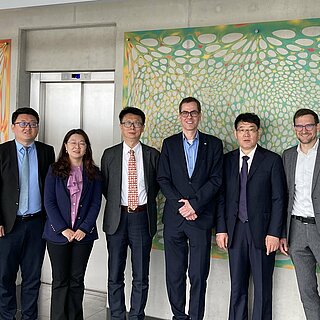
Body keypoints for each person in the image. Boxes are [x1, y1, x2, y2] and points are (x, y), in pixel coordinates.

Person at [157, 96, 223, 320]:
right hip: (175, 219)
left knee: (198, 274)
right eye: (185, 113)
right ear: (179, 116)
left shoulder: (213, 144)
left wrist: (194, 204)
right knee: (175, 274)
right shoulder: (169, 144)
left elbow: (216, 180)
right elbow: (163, 179)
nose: (189, 117)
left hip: (200, 217)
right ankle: (179, 316)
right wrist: (182, 206)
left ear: (200, 116)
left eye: (193, 112)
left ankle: (195, 316)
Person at [216, 112, 286, 320]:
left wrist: (274, 232)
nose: (246, 134)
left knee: (263, 287)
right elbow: (221, 198)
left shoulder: (272, 160)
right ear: (236, 133)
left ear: (258, 132)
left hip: (263, 234)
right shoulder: (227, 160)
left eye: (251, 130)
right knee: (237, 286)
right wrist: (221, 228)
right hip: (235, 231)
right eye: (242, 130)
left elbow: (278, 199)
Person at [101, 106, 160, 320]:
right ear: (121, 126)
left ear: (143, 127)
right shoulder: (109, 154)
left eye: (137, 123)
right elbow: (106, 187)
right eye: (128, 123)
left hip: (142, 219)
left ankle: (136, 316)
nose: (132, 127)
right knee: (115, 273)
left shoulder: (153, 155)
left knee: (140, 274)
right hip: (117, 219)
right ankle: (117, 315)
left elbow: (156, 186)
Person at [0, 107, 55, 320]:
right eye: (22, 123)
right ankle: (6, 316)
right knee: (5, 276)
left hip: (37, 223)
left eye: (32, 123)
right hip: (8, 225)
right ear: (13, 127)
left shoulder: (46, 151)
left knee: (32, 277)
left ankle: (30, 317)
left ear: (37, 128)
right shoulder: (2, 152)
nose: (27, 127)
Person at [43, 128, 102, 320]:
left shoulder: (94, 172)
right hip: (57, 234)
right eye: (73, 142)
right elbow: (49, 202)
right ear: (66, 146)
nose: (77, 146)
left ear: (87, 148)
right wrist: (63, 229)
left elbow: (95, 203)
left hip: (83, 235)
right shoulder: (54, 170)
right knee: (60, 280)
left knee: (77, 280)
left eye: (82, 143)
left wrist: (84, 228)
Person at [280, 109, 320, 320]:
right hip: (296, 231)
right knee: (307, 292)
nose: (304, 130)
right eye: (300, 126)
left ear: (317, 127)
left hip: (318, 227)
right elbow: (284, 196)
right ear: (295, 128)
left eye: (309, 125)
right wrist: (283, 233)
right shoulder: (288, 156)